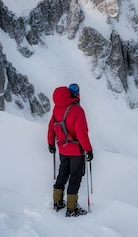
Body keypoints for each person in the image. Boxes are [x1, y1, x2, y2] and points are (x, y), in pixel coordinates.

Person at [47, 83, 94, 217]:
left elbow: (51, 128)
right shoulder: (77, 110)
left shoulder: (56, 109)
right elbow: (81, 134)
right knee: (75, 178)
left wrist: (51, 143)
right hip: (76, 151)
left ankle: (57, 202)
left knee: (62, 174)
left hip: (62, 149)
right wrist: (88, 150)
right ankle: (71, 209)